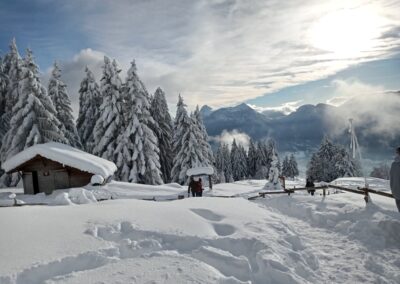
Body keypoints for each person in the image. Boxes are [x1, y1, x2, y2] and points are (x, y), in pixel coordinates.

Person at [390, 146, 400, 212]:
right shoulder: (394, 164)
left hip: (396, 193)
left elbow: (392, 179)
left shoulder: (393, 164)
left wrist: (393, 190)